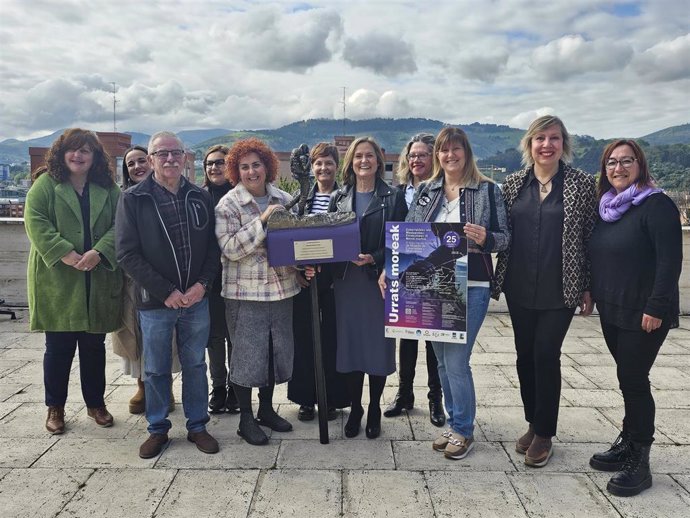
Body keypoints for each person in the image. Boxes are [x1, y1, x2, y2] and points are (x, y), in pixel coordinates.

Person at [493, 115, 596, 467]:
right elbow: (501, 233)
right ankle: (533, 423)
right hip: (518, 285)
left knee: (545, 355)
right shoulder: (512, 185)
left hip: (560, 288)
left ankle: (545, 433)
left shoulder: (581, 184)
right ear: (529, 145)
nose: (547, 145)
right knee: (524, 356)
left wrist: (587, 285)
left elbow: (590, 237)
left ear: (563, 144)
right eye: (540, 138)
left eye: (554, 138)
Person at [401, 127, 509, 460]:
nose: (450, 155)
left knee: (458, 361)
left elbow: (506, 238)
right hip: (434, 286)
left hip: (472, 284)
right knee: (442, 363)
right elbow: (409, 234)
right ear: (438, 156)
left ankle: (464, 429)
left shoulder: (489, 191)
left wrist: (485, 238)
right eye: (444, 151)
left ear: (467, 152)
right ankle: (453, 423)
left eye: (456, 149)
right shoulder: (426, 190)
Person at [116, 131, 220, 459]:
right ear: (150, 160)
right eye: (162, 154)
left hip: (196, 299)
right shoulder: (133, 199)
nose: (170, 159)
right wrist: (168, 292)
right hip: (157, 302)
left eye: (176, 152)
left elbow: (212, 249)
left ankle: (198, 426)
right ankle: (157, 429)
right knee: (156, 368)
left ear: (186, 157)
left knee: (194, 365)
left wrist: (202, 285)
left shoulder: (200, 197)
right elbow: (127, 254)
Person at [588, 139, 681, 497]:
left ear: (640, 165)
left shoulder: (656, 205)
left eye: (627, 161)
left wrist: (656, 307)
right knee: (626, 377)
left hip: (644, 311)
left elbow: (669, 261)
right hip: (613, 308)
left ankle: (640, 459)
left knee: (633, 378)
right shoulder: (609, 206)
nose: (618, 168)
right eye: (612, 162)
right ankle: (628, 441)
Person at [25, 128, 122, 434]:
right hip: (58, 279)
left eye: (85, 151)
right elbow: (35, 220)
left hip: (97, 277)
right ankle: (55, 408)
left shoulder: (108, 189)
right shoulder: (45, 185)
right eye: (72, 149)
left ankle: (95, 404)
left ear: (95, 158)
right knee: (58, 348)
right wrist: (64, 252)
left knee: (94, 347)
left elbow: (122, 224)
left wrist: (99, 251)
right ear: (61, 153)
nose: (78, 156)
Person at [215, 138, 302, 446]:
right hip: (244, 294)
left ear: (267, 166)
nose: (252, 172)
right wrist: (262, 221)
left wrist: (303, 267)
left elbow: (294, 242)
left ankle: (266, 409)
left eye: (256, 165)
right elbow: (230, 248)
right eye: (244, 166)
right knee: (246, 356)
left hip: (282, 291)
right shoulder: (228, 204)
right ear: (236, 171)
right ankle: (245, 419)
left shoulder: (284, 197)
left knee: (274, 353)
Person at [329, 136, 408, 439]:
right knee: (350, 349)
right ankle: (356, 408)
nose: (364, 161)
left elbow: (400, 241)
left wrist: (374, 258)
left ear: (379, 160)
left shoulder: (394, 197)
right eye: (358, 156)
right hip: (347, 284)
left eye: (370, 156)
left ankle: (374, 407)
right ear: (351, 161)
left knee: (376, 349)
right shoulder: (339, 197)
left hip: (378, 283)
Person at [383, 133, 445, 427]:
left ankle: (436, 398)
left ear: (434, 158)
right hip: (405, 268)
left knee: (435, 339)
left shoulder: (445, 190)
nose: (416, 160)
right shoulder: (398, 193)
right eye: (412, 155)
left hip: (436, 268)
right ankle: (404, 393)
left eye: (422, 155)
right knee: (406, 337)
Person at [111, 146, 179, 415]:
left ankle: (165, 387)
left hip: (165, 283)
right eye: (131, 164)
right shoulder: (125, 198)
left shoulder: (168, 195)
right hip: (132, 282)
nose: (137, 167)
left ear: (152, 162)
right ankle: (142, 386)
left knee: (165, 339)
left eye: (141, 161)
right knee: (136, 337)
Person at [287, 142, 349, 422]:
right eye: (318, 164)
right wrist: (300, 268)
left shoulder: (345, 197)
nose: (323, 168)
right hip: (305, 277)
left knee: (331, 338)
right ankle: (305, 398)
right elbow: (289, 237)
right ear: (312, 168)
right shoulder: (302, 199)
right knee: (303, 337)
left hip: (334, 279)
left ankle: (332, 397)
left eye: (328, 163)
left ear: (337, 166)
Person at [202, 144, 240, 415]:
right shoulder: (198, 197)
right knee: (214, 339)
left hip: (239, 279)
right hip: (210, 281)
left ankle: (236, 387)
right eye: (210, 163)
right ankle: (218, 387)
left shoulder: (241, 197)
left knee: (236, 338)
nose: (214, 167)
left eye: (220, 162)